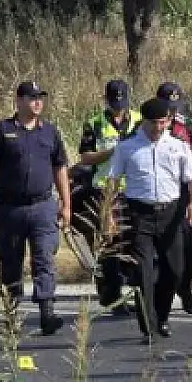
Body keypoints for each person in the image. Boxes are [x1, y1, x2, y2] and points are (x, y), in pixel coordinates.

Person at [104, 96, 192, 345]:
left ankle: (161, 316)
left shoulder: (178, 146)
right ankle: (149, 327)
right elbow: (113, 181)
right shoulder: (127, 147)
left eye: (162, 122)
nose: (158, 127)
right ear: (144, 122)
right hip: (140, 215)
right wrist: (109, 214)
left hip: (171, 213)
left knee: (175, 271)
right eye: (153, 123)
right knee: (143, 272)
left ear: (168, 121)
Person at [0, 80, 73, 337]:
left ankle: (47, 312)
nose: (37, 102)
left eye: (40, 97)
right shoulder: (2, 130)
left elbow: (60, 168)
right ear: (19, 100)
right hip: (11, 208)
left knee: (44, 257)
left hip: (43, 206)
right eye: (32, 98)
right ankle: (11, 313)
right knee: (11, 261)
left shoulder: (50, 132)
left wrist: (66, 203)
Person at [75, 79, 137, 310]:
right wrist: (112, 152)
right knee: (110, 243)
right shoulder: (95, 124)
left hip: (134, 189)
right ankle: (111, 294)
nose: (118, 107)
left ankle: (134, 290)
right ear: (106, 100)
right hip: (104, 190)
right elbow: (86, 157)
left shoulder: (140, 120)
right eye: (114, 102)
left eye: (122, 102)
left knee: (132, 243)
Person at [157, 81, 192, 314]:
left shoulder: (188, 125)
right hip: (156, 195)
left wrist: (183, 156)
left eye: (175, 106)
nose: (172, 111)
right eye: (168, 106)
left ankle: (185, 286)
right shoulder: (145, 125)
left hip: (183, 193)